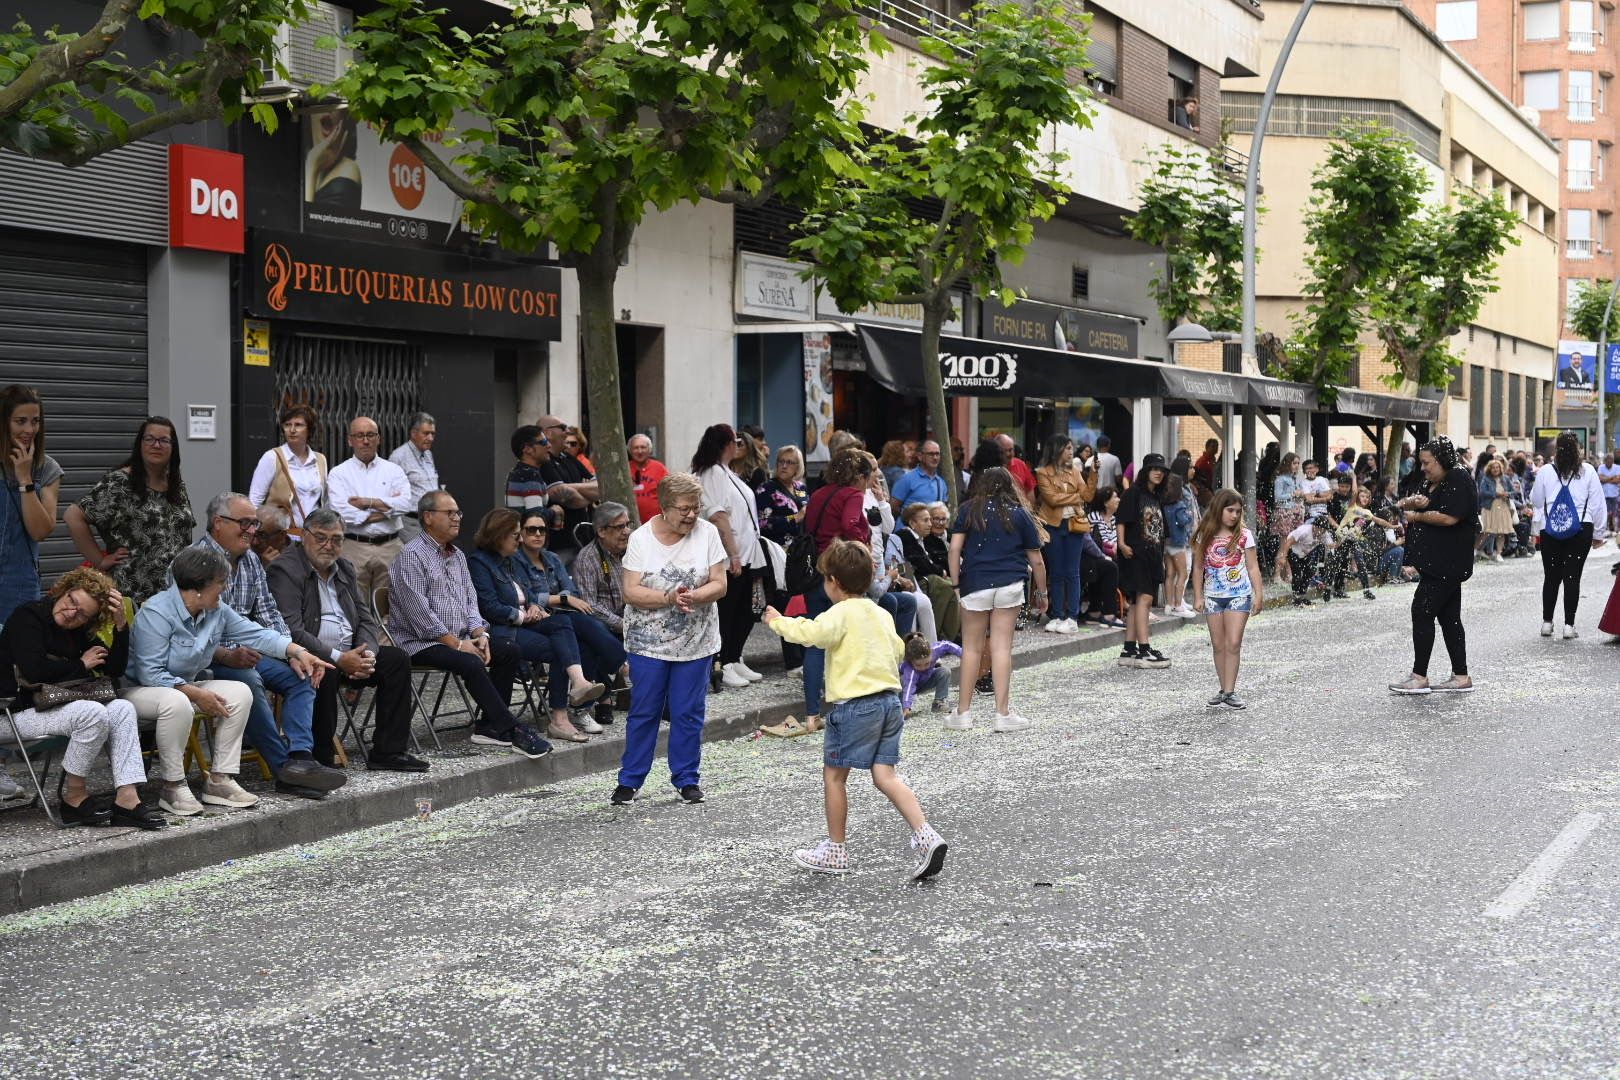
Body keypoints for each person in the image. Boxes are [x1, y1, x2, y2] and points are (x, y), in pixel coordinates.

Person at [763, 540, 948, 880]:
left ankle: (836, 848)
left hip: (855, 707)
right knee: (885, 775)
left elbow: (812, 634)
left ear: (833, 581)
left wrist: (779, 621)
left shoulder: (838, 614)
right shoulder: (880, 613)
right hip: (890, 703)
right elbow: (896, 651)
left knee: (834, 776)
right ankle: (925, 834)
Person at [126, 546, 330, 815]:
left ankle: (220, 780)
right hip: (143, 690)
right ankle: (172, 786)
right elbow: (149, 673)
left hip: (182, 687)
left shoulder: (215, 610)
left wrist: (299, 651)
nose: (225, 588)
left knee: (240, 692)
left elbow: (256, 634)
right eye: (221, 582)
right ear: (199, 586)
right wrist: (197, 695)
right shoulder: (157, 612)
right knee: (177, 701)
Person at [192, 492, 344, 798]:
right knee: (249, 681)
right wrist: (225, 654)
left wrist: (291, 653)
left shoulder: (249, 561)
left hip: (248, 653)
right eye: (245, 523)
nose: (252, 531)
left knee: (302, 672)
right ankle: (284, 769)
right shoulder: (195, 562)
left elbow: (268, 614)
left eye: (255, 524)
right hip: (204, 659)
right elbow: (188, 634)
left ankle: (301, 758)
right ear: (218, 523)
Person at [387, 490, 553, 759]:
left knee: (508, 649)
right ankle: (510, 729)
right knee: (471, 662)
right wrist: (458, 644)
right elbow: (420, 616)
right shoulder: (411, 556)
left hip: (462, 636)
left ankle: (489, 725)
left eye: (458, 513)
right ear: (428, 517)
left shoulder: (458, 556)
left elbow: (470, 603)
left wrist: (480, 633)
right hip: (421, 642)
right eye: (449, 513)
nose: (456, 518)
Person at [266, 508, 427, 774]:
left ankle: (389, 751)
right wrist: (340, 658)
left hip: (350, 653)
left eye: (337, 539)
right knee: (324, 669)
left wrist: (367, 655)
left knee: (396, 660)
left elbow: (365, 620)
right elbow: (291, 629)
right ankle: (321, 758)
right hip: (306, 655)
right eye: (320, 537)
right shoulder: (285, 569)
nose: (329, 546)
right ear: (304, 536)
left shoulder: (344, 567)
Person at [0, 568, 163, 828]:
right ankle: (74, 797)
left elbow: (114, 670)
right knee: (92, 713)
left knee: (121, 707)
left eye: (82, 614)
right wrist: (81, 664)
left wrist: (121, 627)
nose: (71, 613)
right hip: (11, 713)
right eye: (71, 602)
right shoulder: (28, 617)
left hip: (53, 709)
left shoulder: (78, 630)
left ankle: (127, 799)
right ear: (63, 591)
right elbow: (34, 670)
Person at [611, 472, 728, 806]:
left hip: (696, 640)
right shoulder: (641, 539)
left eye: (695, 508)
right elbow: (631, 591)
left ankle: (687, 779)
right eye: (683, 509)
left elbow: (719, 583)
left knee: (688, 711)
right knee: (645, 710)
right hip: (649, 642)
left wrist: (694, 595)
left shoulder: (708, 533)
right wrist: (667, 597)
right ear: (664, 507)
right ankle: (630, 781)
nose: (691, 515)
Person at [468, 508, 610, 743]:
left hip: (524, 622)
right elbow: (488, 607)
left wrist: (534, 605)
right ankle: (560, 719)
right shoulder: (479, 563)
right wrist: (524, 615)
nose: (521, 539)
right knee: (559, 649)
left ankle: (579, 683)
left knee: (563, 621)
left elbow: (528, 592)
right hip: (502, 629)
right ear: (499, 535)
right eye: (516, 534)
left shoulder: (510, 560)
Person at [946, 466, 1047, 731]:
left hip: (975, 582)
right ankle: (1002, 714)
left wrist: (956, 584)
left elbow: (955, 549)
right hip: (1010, 584)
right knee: (1001, 647)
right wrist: (1042, 593)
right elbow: (1036, 559)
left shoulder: (969, 510)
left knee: (971, 648)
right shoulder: (1020, 514)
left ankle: (962, 713)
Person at [66, 416, 195, 604]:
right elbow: (73, 516)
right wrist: (99, 560)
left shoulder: (176, 485)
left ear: (173, 447)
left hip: (173, 594)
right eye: (149, 439)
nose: (156, 445)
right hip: (132, 593)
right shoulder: (120, 482)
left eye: (164, 440)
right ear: (140, 444)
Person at [1387, 436, 1478, 694]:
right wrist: (1414, 502)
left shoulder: (1458, 479)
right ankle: (1461, 676)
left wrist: (1417, 515)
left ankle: (1419, 676)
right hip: (1440, 562)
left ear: (1441, 460)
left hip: (1446, 563)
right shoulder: (1439, 480)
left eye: (1427, 463)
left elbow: (1449, 517)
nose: (1423, 468)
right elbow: (1426, 500)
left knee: (1422, 611)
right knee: (1449, 619)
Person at [691, 424, 768, 689]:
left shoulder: (727, 472)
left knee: (745, 609)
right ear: (725, 445)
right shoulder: (712, 472)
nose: (738, 445)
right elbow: (718, 514)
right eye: (733, 441)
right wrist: (732, 553)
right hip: (730, 554)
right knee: (728, 610)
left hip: (747, 552)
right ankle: (722, 662)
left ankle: (734, 657)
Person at [1530, 431, 1609, 639]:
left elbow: (1537, 500)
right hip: (1581, 528)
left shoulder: (1546, 471)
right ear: (1579, 449)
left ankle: (1547, 622)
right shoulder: (1588, 471)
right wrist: (1599, 532)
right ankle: (1568, 625)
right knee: (1572, 576)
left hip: (1551, 529)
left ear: (1557, 450)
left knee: (1551, 576)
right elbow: (1598, 504)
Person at [327, 415, 413, 600]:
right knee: (356, 607)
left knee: (392, 608)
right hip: (353, 547)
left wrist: (368, 503)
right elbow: (341, 513)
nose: (365, 441)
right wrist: (389, 509)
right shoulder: (338, 474)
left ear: (378, 438)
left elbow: (405, 504)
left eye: (370, 435)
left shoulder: (394, 471)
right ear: (350, 440)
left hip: (390, 547)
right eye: (359, 435)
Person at [1191, 490, 1262, 710]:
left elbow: (1252, 566)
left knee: (1233, 643)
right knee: (1218, 644)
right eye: (1229, 510)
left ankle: (1231, 691)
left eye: (1237, 511)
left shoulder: (1244, 535)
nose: (1234, 515)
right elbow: (1198, 567)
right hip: (1213, 596)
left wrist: (1258, 593)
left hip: (1239, 595)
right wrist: (1198, 595)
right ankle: (1223, 689)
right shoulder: (1205, 534)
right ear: (1219, 509)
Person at [0, 385, 61, 623]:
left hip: (20, 586)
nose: (29, 429)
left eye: (35, 421)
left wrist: (25, 480)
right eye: (20, 421)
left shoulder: (46, 468)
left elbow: (41, 530)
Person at [1115, 454, 1171, 668]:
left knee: (1138, 602)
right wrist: (1121, 544)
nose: (1158, 472)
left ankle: (1129, 650)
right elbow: (1122, 519)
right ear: (1145, 470)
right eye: (1154, 468)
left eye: (1162, 469)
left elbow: (1161, 531)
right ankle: (1144, 650)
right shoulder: (1133, 493)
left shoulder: (1156, 497)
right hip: (1135, 553)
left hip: (1153, 555)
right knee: (1144, 599)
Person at [248, 404, 327, 541]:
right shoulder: (272, 457)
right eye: (287, 424)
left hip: (313, 536)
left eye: (298, 425)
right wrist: (257, 533)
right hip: (282, 536)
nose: (292, 430)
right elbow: (255, 499)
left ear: (309, 429)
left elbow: (324, 501)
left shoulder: (320, 460)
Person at [1034, 437, 1088, 634]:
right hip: (1053, 525)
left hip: (1074, 524)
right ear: (1057, 450)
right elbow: (1052, 499)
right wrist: (1075, 497)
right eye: (1067, 448)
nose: (1071, 451)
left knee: (1072, 571)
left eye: (1071, 448)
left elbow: (1087, 494)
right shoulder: (1042, 473)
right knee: (1056, 571)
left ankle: (1072, 617)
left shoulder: (1075, 471)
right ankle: (1057, 615)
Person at [536, 414, 600, 560]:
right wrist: (587, 494)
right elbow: (571, 500)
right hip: (558, 544)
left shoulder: (568, 458)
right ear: (548, 433)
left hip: (582, 539)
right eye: (563, 428)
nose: (567, 432)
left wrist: (568, 486)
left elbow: (599, 487)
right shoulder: (544, 461)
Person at [896, 502, 961, 644]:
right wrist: (941, 571)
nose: (930, 524)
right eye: (926, 520)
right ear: (913, 523)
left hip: (925, 578)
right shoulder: (905, 536)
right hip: (913, 581)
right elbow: (921, 564)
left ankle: (950, 635)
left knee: (953, 584)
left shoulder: (920, 538)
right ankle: (937, 637)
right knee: (945, 586)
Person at [571, 501, 632, 638]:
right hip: (610, 629)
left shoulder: (633, 548)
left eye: (628, 525)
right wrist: (625, 624)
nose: (627, 531)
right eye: (620, 527)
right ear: (602, 531)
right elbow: (590, 605)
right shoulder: (587, 559)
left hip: (638, 618)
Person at [388, 412, 438, 543]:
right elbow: (390, 492)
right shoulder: (399, 456)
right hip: (411, 522)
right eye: (426, 433)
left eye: (433, 434)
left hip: (432, 521)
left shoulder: (428, 454)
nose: (430, 438)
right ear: (413, 433)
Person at [505, 424, 565, 523]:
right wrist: (554, 511)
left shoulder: (521, 471)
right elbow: (536, 516)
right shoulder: (529, 475)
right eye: (544, 442)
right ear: (527, 449)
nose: (549, 445)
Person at [1161, 461, 1197, 617]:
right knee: (1182, 574)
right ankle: (1178, 605)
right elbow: (1184, 521)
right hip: (1178, 544)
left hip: (1166, 543)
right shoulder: (1179, 505)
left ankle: (1168, 604)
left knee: (1169, 574)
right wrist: (1189, 516)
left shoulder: (1163, 504)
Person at [898, 632, 961, 716]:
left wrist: (962, 653)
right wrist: (907, 707)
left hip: (925, 680)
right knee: (902, 681)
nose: (923, 667)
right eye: (918, 665)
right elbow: (909, 688)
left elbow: (947, 645)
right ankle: (901, 708)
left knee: (944, 671)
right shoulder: (910, 670)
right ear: (911, 662)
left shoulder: (934, 650)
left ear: (931, 653)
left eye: (927, 663)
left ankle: (938, 703)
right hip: (906, 686)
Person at [1275, 517, 1330, 605]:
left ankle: (1302, 596)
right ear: (1314, 526)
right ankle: (1296, 598)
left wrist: (1341, 538)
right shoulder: (1304, 531)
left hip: (1306, 553)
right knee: (1297, 574)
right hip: (1293, 550)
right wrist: (1283, 557)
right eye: (1319, 530)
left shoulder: (1324, 534)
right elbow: (1288, 542)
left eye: (1323, 531)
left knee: (1310, 571)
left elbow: (1332, 545)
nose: (1320, 533)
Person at [890, 439, 950, 512]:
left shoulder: (941, 482)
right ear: (920, 456)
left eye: (937, 454)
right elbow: (893, 507)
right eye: (931, 454)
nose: (935, 457)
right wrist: (909, 520)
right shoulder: (907, 479)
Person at [1476, 457, 1515, 563]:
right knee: (1487, 530)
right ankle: (1477, 550)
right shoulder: (1486, 479)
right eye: (1493, 467)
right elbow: (1482, 492)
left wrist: (1507, 494)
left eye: (1497, 467)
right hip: (1490, 507)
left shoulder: (1505, 478)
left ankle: (1498, 553)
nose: (1495, 469)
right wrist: (1497, 494)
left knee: (1501, 531)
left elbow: (1513, 492)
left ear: (1500, 468)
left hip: (1503, 506)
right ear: (1489, 469)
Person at [628, 434, 668, 526]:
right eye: (636, 448)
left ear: (649, 450)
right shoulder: (624, 468)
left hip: (655, 523)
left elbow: (669, 493)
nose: (639, 451)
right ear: (630, 451)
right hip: (630, 523)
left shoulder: (659, 468)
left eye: (643, 447)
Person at [1599, 451, 1620, 535]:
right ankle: (1606, 528)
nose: (1609, 461)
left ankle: (1614, 529)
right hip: (1604, 495)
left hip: (1615, 494)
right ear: (1605, 460)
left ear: (1613, 460)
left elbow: (1618, 480)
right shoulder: (1601, 467)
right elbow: (1600, 479)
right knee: (1606, 513)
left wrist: (1606, 479)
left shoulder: (1617, 467)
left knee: (1615, 513)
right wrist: (1612, 478)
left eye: (1611, 460)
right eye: (1607, 460)